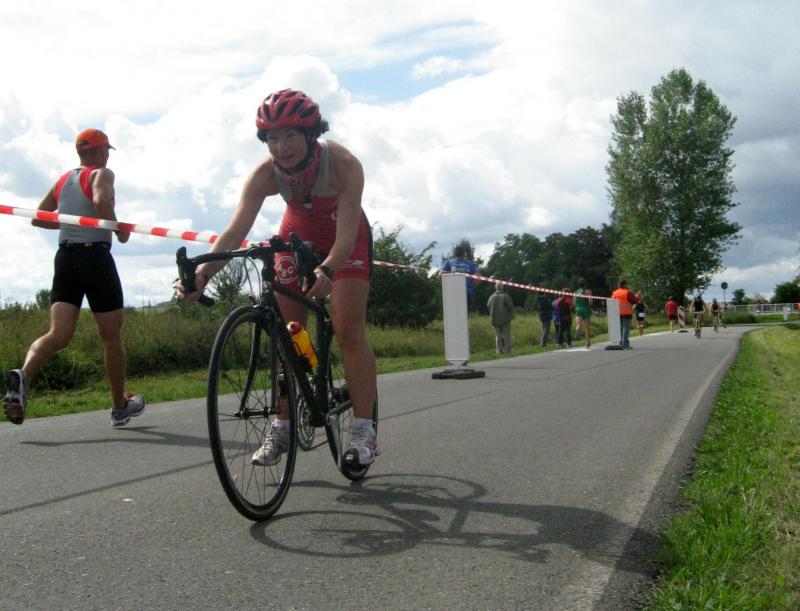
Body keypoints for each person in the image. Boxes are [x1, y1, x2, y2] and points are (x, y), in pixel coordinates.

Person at [178, 89, 378, 468]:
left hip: (343, 236)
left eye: (290, 135)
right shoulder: (265, 175)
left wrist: (328, 269)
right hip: (297, 231)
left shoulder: (343, 165)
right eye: (272, 138)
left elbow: (348, 235)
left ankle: (364, 432)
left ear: (310, 134)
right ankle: (282, 426)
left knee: (348, 328)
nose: (281, 147)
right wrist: (203, 273)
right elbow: (234, 231)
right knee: (287, 332)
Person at [3, 129, 144, 427]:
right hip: (95, 258)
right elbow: (101, 201)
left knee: (58, 334)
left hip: (66, 257)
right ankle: (120, 407)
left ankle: (23, 375)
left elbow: (39, 217)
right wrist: (118, 230)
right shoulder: (102, 173)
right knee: (111, 337)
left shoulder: (63, 180)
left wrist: (73, 226)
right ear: (101, 151)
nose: (107, 156)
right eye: (106, 150)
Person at [440, 246, 480, 312]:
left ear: (454, 253)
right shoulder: (471, 264)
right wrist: (472, 286)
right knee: (465, 313)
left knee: (452, 313)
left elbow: (440, 274)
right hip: (467, 291)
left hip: (452, 292)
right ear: (464, 253)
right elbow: (478, 279)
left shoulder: (449, 262)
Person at [611, 279, 641, 349]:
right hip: (626, 313)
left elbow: (612, 302)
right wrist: (637, 296)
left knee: (621, 329)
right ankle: (625, 344)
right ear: (625, 285)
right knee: (625, 329)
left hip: (617, 313)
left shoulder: (614, 293)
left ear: (619, 285)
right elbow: (635, 300)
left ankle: (621, 343)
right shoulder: (627, 292)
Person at [486, 282, 514, 354]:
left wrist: (492, 313)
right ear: (502, 287)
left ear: (496, 287)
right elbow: (511, 306)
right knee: (506, 336)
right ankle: (507, 351)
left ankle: (499, 351)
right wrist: (511, 315)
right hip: (505, 319)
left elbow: (488, 305)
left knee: (498, 336)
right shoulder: (506, 296)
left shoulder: (492, 296)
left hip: (495, 319)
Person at [573, 279, 593, 348]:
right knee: (587, 328)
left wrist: (578, 306)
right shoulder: (588, 291)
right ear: (585, 284)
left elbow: (574, 303)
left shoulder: (576, 292)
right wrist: (589, 305)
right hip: (586, 309)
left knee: (578, 325)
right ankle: (587, 342)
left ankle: (577, 331)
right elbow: (590, 302)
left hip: (578, 309)